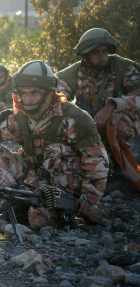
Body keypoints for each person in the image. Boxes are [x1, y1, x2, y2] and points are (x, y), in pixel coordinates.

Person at [0, 60, 109, 229]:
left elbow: (97, 161)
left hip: (65, 190)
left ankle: (50, 212)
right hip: (34, 180)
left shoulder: (74, 118)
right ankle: (17, 201)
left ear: (48, 94)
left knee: (38, 221)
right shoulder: (20, 117)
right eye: (23, 93)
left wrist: (89, 200)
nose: (28, 100)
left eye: (34, 93)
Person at [56, 28, 140, 190]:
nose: (102, 56)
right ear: (86, 56)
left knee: (117, 125)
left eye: (104, 51)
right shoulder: (75, 72)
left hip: (121, 121)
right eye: (96, 53)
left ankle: (118, 169)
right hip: (88, 121)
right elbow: (57, 95)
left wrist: (113, 105)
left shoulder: (124, 68)